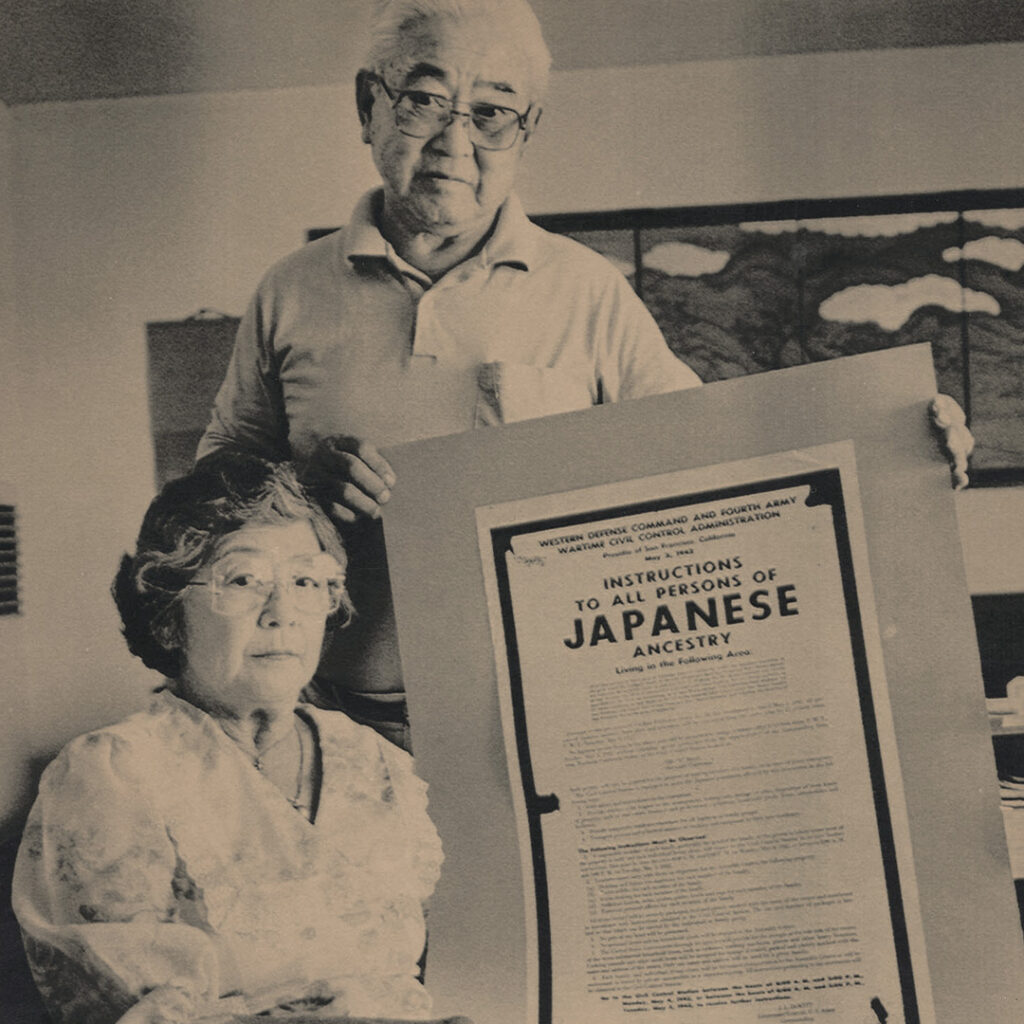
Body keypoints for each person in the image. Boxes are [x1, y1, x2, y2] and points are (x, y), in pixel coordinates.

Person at [197, 0, 973, 751]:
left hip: (542, 728)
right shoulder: (290, 290)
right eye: (426, 100)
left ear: (527, 129)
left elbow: (722, 464)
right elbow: (206, 493)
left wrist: (899, 452)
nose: (454, 142)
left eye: (493, 112)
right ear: (370, 105)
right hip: (327, 723)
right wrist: (295, 485)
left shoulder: (587, 289)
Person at [12, 453, 463, 1024]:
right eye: (244, 580)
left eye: (305, 581)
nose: (283, 613)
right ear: (168, 615)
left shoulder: (374, 761)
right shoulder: (113, 772)